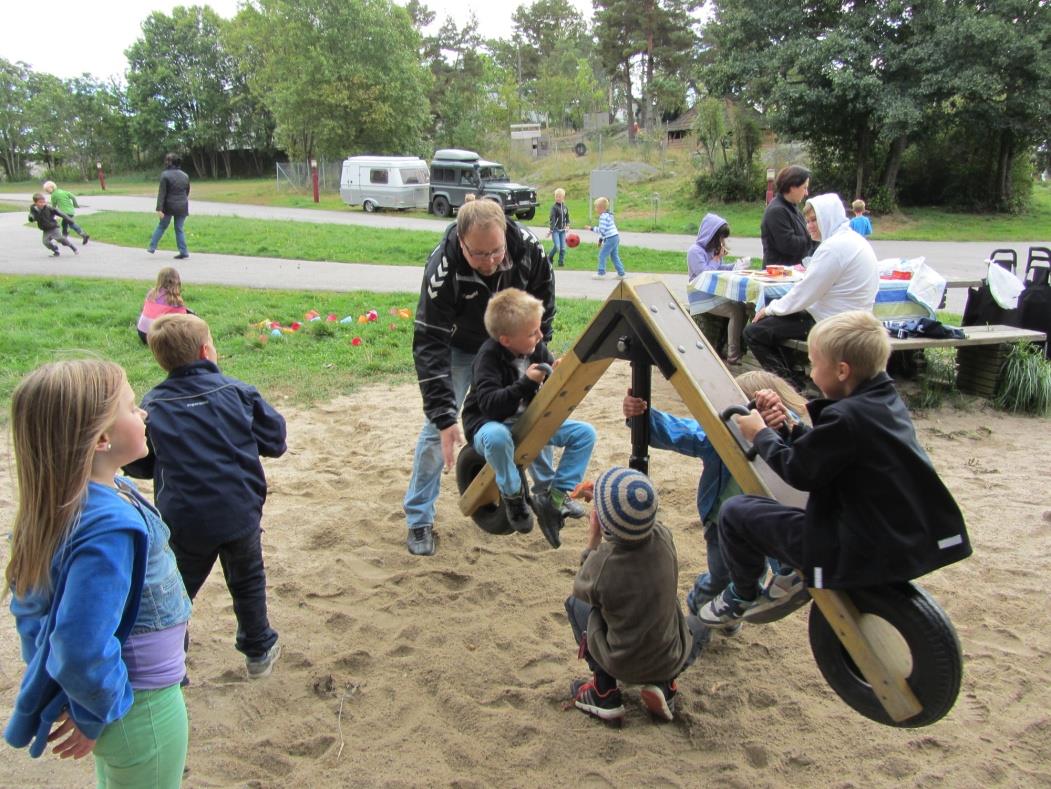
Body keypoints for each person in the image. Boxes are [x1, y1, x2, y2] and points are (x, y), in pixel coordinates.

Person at [698, 311, 972, 629]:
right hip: (898, 540)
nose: (813, 375)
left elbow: (800, 472)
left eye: (815, 365)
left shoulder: (846, 419)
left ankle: (744, 595)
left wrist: (759, 434)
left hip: (852, 549)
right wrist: (788, 428)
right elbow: (829, 454)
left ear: (842, 370)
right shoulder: (884, 404)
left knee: (736, 512)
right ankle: (785, 578)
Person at [4, 360, 192, 787]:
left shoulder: (74, 499)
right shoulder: (106, 528)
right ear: (102, 438)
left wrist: (67, 692)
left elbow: (32, 611)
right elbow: (79, 642)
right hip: (140, 705)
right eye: (131, 406)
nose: (144, 412)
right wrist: (93, 708)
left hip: (126, 704)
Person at [124, 313, 286, 678]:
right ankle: (258, 650)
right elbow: (275, 441)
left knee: (176, 592)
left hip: (184, 519)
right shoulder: (238, 393)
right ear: (207, 351)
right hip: (238, 513)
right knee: (247, 581)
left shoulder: (155, 405)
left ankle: (171, 664)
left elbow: (139, 463)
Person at [404, 198, 559, 557]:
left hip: (512, 342)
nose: (490, 262)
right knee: (436, 429)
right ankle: (419, 518)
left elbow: (544, 307)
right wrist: (444, 415)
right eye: (479, 254)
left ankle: (546, 495)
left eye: (496, 252)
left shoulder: (530, 252)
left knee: (535, 415)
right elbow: (429, 342)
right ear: (461, 242)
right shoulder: (442, 270)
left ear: (506, 234)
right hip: (460, 346)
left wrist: (535, 349)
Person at [621, 370, 808, 634]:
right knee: (721, 575)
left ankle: (733, 614)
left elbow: (805, 456)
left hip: (765, 529)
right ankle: (700, 601)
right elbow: (680, 432)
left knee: (753, 575)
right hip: (722, 525)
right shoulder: (721, 438)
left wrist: (784, 425)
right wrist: (640, 415)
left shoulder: (783, 441)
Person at [565, 467, 706, 723]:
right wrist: (613, 497)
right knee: (700, 623)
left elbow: (582, 586)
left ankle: (603, 690)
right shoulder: (664, 539)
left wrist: (593, 539)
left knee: (575, 605)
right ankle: (665, 686)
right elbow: (640, 513)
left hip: (621, 662)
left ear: (602, 522)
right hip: (669, 656)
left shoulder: (603, 565)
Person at [461, 289, 596, 548]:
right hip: (489, 425)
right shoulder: (487, 358)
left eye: (539, 329)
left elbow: (549, 389)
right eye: (533, 332)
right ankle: (513, 496)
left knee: (584, 434)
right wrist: (525, 383)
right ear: (506, 340)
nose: (541, 336)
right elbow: (491, 406)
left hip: (528, 420)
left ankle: (554, 498)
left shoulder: (537, 349)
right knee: (499, 437)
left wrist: (557, 374)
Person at [744, 193, 879, 390]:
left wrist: (770, 309)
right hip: (853, 315)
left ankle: (790, 387)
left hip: (833, 321)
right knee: (774, 325)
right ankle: (793, 375)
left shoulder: (834, 248)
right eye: (807, 221)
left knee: (754, 332)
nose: (810, 226)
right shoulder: (852, 240)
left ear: (829, 217)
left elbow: (804, 293)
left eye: (815, 220)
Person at [687, 213, 750, 363]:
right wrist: (716, 258)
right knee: (735, 311)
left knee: (743, 305)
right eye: (720, 237)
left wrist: (734, 266)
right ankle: (733, 354)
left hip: (714, 293)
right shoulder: (695, 251)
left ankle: (731, 346)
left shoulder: (711, 250)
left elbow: (718, 269)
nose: (722, 241)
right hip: (700, 296)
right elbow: (705, 274)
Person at [760, 165, 815, 267]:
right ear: (793, 187)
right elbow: (788, 244)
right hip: (778, 276)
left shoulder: (791, 208)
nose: (806, 193)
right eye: (804, 188)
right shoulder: (777, 211)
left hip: (790, 273)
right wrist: (812, 239)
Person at [148, 152, 191, 259]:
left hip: (169, 206)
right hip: (182, 205)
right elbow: (187, 191)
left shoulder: (165, 175)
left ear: (171, 162)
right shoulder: (185, 175)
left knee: (162, 226)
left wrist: (159, 209)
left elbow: (162, 193)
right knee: (179, 229)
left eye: (167, 160)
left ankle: (152, 247)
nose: (166, 162)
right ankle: (184, 251)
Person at [137, 267, 191, 344]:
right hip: (157, 338)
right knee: (189, 317)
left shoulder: (151, 293)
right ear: (177, 281)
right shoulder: (175, 300)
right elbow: (183, 321)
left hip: (142, 333)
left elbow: (143, 310)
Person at [589, 196, 625, 279]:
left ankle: (601, 273)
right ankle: (621, 273)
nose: (595, 209)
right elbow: (605, 231)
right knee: (614, 256)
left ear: (601, 208)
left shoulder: (603, 217)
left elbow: (602, 230)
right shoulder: (608, 215)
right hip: (615, 237)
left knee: (602, 255)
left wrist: (591, 228)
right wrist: (600, 240)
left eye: (596, 207)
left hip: (611, 238)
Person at [548, 188, 570, 267]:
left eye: (559, 197)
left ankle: (561, 262)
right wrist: (551, 229)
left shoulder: (565, 208)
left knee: (563, 248)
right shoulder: (554, 208)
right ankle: (549, 257)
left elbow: (567, 218)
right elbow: (552, 219)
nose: (557, 198)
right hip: (555, 230)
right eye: (556, 196)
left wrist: (567, 225)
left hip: (562, 231)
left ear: (563, 198)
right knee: (557, 247)